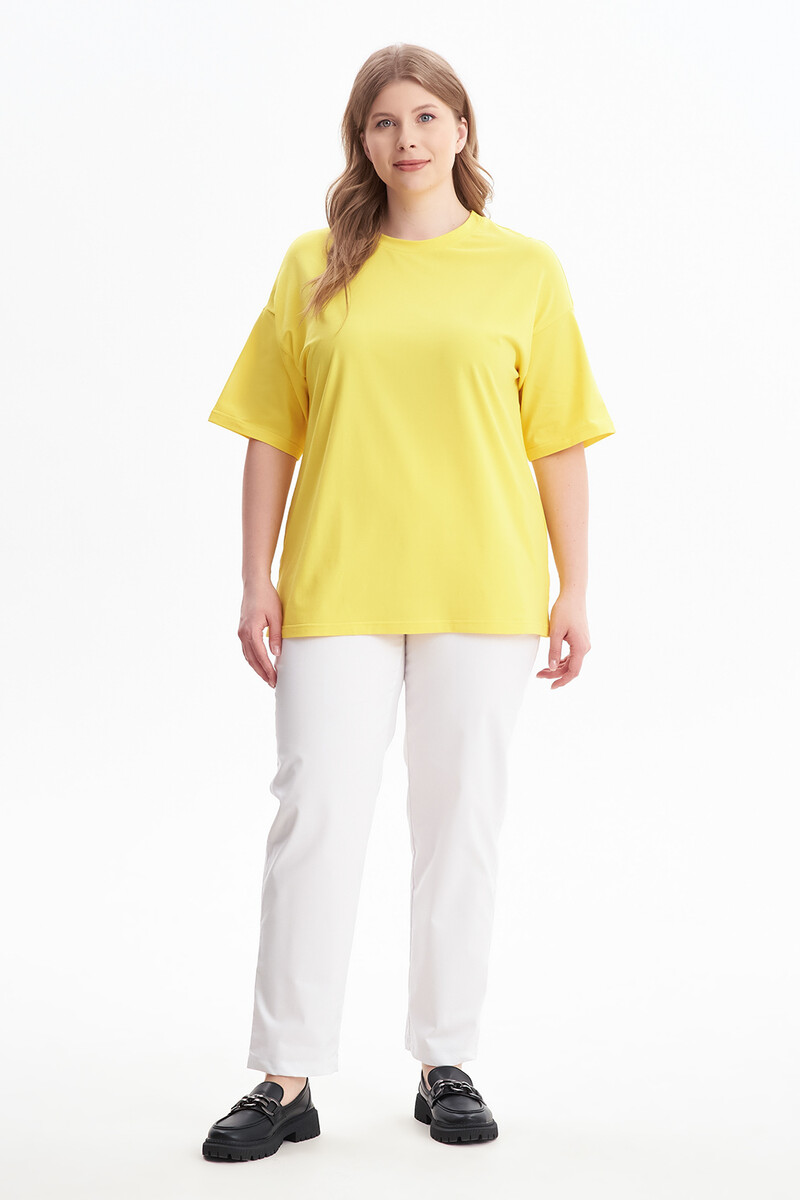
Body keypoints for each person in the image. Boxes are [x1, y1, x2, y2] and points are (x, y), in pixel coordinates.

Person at [201, 42, 615, 1161]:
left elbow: (559, 440)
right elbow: (269, 434)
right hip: (337, 581)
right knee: (314, 817)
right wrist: (254, 576)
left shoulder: (524, 269)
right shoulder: (313, 266)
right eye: (384, 121)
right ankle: (285, 1075)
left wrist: (575, 587)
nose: (408, 138)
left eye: (427, 117)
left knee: (459, 823)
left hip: (483, 587)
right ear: (363, 142)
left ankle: (446, 1061)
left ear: (461, 130)